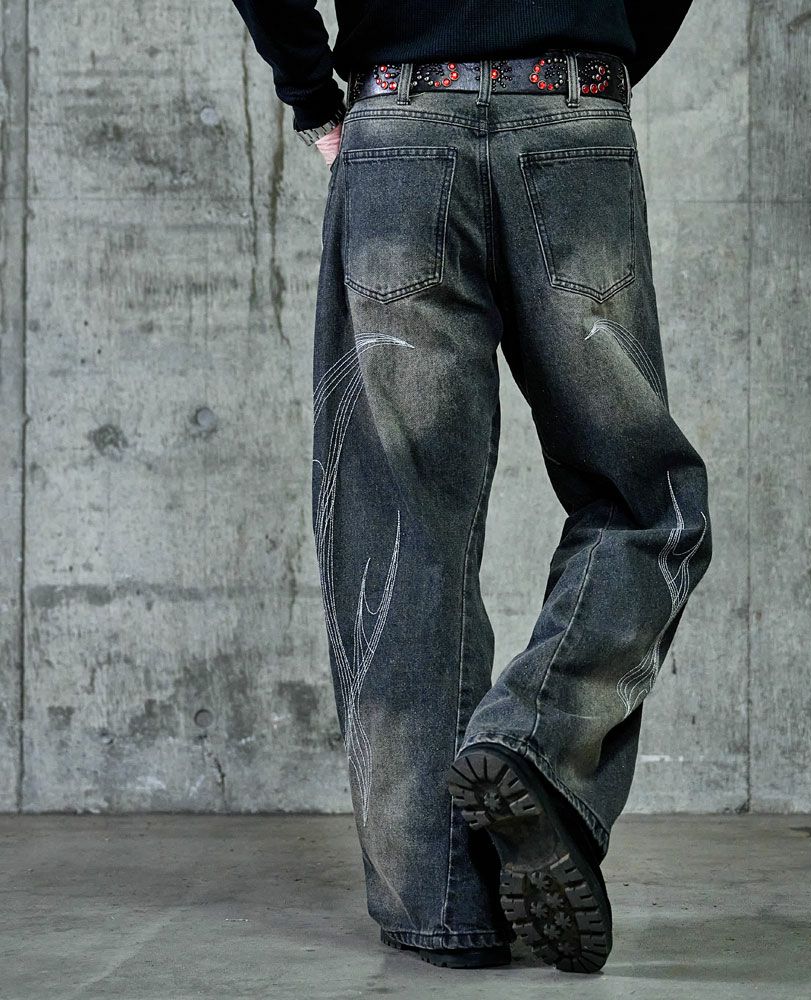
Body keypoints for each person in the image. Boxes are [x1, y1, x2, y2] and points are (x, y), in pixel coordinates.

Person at [231, 0, 708, 975]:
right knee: (643, 503)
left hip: (400, 126)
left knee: (401, 530)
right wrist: (595, 51)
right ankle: (535, 741)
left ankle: (441, 900)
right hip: (571, 118)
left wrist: (311, 93)